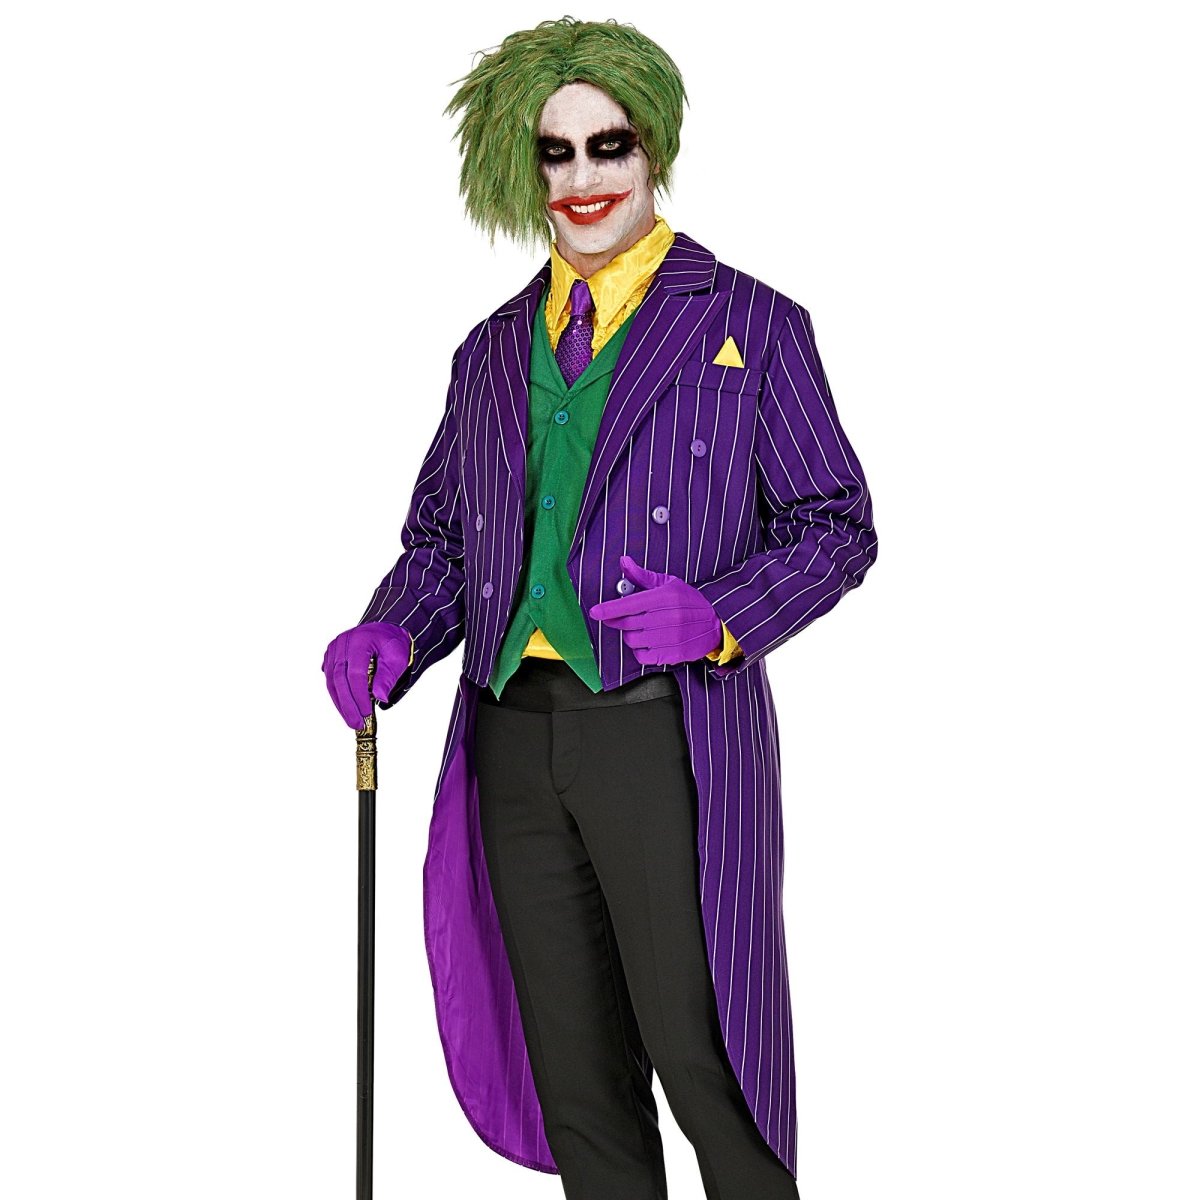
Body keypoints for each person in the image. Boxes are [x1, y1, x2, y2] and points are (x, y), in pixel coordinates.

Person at [322, 17, 878, 1199]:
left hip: (663, 735)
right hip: (511, 741)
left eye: (608, 145)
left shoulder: (750, 325)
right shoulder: (489, 353)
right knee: (576, 1078)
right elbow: (445, 542)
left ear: (653, 147)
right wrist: (394, 628)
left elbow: (837, 523)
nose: (583, 177)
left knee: (706, 1057)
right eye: (555, 152)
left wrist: (722, 616)